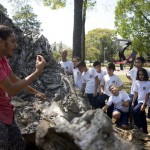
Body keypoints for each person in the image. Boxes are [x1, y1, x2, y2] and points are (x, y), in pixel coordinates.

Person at [0, 25, 47, 149]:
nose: (16, 45)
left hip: (7, 114)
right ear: (0, 42)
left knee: (19, 146)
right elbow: (12, 89)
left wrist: (35, 92)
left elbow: (16, 80)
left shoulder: (3, 60)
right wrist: (37, 72)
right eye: (12, 41)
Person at [126, 56, 150, 124]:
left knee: (139, 110)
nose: (136, 64)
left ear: (142, 63)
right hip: (133, 93)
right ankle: (131, 122)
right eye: (136, 62)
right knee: (131, 106)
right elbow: (127, 75)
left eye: (138, 62)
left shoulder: (147, 71)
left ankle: (140, 126)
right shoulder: (133, 70)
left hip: (142, 95)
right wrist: (131, 81)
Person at [132, 68, 150, 134]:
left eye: (142, 74)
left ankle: (138, 126)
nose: (141, 76)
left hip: (145, 101)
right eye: (139, 75)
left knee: (135, 110)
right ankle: (145, 131)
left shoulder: (148, 83)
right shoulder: (137, 82)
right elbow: (136, 93)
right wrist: (133, 102)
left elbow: (147, 95)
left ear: (145, 75)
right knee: (142, 115)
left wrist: (143, 104)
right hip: (139, 101)